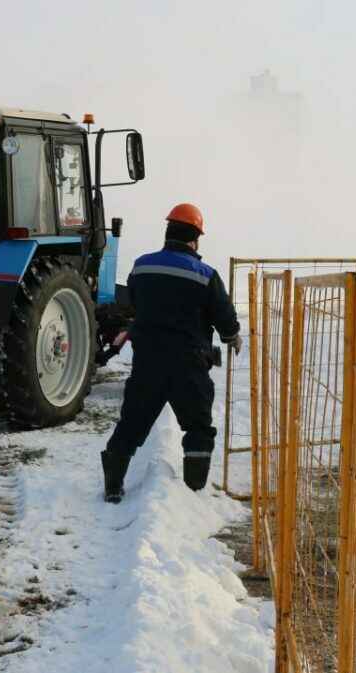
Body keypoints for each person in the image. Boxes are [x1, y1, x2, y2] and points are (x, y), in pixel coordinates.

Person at [101, 203, 241, 503]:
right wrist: (232, 337)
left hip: (148, 362)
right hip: (189, 365)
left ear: (168, 232)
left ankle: (113, 486)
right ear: (196, 238)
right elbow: (225, 319)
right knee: (198, 427)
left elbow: (134, 305)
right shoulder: (206, 275)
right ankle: (193, 492)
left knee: (132, 423)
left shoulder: (142, 266)